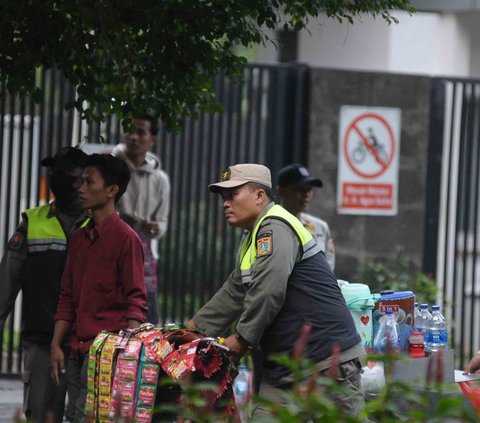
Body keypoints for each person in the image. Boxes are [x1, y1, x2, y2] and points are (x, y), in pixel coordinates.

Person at [186, 163, 364, 416]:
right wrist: (190, 331)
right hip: (286, 369)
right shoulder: (252, 238)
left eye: (233, 195)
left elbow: (269, 289)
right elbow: (233, 292)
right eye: (223, 198)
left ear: (260, 196)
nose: (225, 204)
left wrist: (242, 338)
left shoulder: (275, 227)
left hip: (327, 361)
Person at [50, 154, 147, 421]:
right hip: (75, 349)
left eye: (88, 182)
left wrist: (126, 355)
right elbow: (67, 296)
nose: (79, 188)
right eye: (81, 181)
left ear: (111, 191)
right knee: (74, 415)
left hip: (106, 352)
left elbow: (136, 301)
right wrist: (56, 344)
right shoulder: (79, 238)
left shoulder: (127, 240)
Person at [0, 146, 88, 423]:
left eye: (66, 173)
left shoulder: (100, 223)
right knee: (39, 414)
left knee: (82, 416)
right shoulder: (32, 222)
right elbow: (7, 282)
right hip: (41, 338)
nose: (57, 178)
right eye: (54, 172)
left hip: (85, 343)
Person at [112, 115, 170, 324]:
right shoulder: (110, 168)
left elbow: (162, 221)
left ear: (152, 138)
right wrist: (120, 217)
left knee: (145, 313)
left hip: (144, 252)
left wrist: (156, 228)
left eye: (141, 132)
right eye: (129, 130)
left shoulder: (160, 178)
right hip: (111, 246)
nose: (133, 137)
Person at [276, 163, 335, 270]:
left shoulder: (320, 227)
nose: (306, 194)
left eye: (309, 189)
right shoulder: (267, 225)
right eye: (299, 189)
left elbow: (328, 267)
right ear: (280, 191)